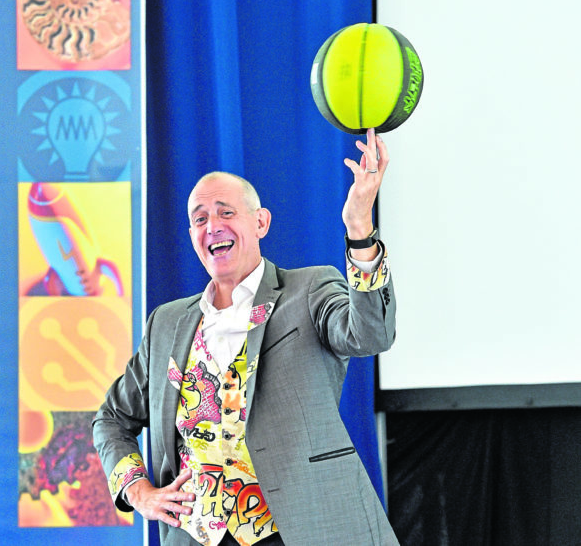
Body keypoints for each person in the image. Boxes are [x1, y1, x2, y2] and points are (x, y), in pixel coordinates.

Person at [93, 128, 399, 545]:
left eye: (225, 212)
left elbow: (371, 334)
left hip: (296, 530)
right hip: (195, 533)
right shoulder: (166, 323)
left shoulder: (307, 292)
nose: (212, 226)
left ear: (260, 222)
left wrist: (359, 227)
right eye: (199, 218)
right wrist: (137, 490)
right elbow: (111, 418)